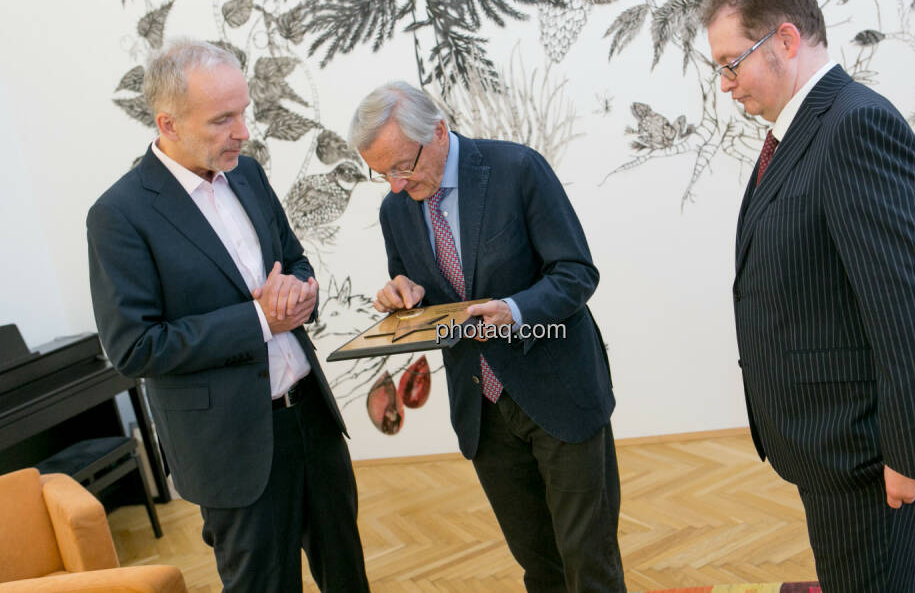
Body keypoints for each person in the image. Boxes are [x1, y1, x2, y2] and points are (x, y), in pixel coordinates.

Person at [701, 0, 915, 592]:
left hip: (864, 450)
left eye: (732, 63)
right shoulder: (802, 132)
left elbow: (911, 305)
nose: (727, 85)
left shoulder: (853, 127)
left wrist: (913, 452)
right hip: (830, 441)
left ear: (786, 41)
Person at [86, 39, 369, 592]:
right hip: (229, 444)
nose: (243, 132)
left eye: (244, 113)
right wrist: (261, 320)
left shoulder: (248, 175)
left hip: (310, 417)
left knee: (347, 574)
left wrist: (303, 292)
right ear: (168, 123)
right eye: (223, 119)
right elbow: (134, 347)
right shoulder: (119, 215)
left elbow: (296, 258)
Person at [352, 81, 625, 593]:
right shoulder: (396, 210)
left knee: (588, 562)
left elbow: (576, 273)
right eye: (380, 172)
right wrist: (401, 294)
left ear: (437, 131)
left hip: (559, 392)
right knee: (539, 566)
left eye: (401, 166)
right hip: (483, 411)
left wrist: (517, 310)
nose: (393, 184)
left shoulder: (517, 170)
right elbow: (425, 296)